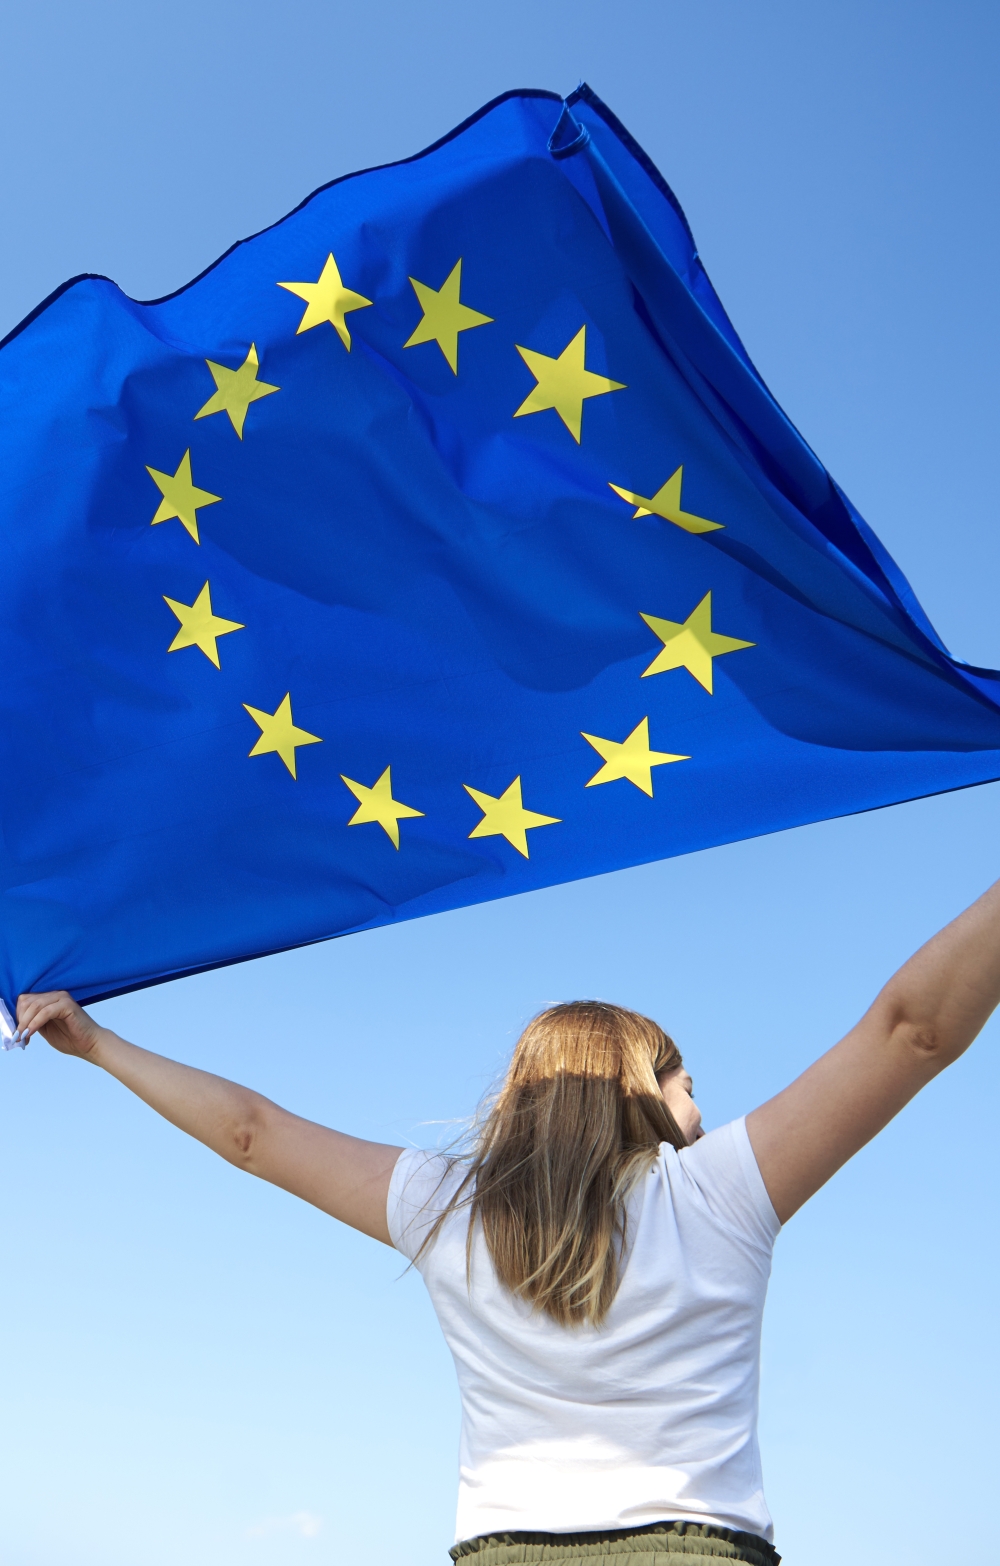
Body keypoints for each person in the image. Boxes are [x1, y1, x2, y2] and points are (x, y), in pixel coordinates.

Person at [16, 877, 1000, 1566]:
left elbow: (249, 1134)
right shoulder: (719, 1189)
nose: (705, 1111)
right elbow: (911, 1031)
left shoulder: (444, 1209)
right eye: (690, 1088)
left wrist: (100, 1044)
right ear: (643, 1093)